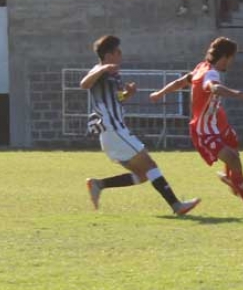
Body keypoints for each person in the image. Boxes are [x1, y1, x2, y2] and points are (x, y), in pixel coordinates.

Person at [82, 34, 200, 216]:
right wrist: (102, 68)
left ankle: (99, 184)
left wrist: (127, 94)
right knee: (151, 165)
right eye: (118, 51)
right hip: (114, 131)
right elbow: (84, 84)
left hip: (114, 133)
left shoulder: (113, 75)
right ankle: (177, 205)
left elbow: (116, 99)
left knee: (143, 174)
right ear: (109, 54)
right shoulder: (99, 70)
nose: (121, 55)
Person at [150, 36, 243, 210]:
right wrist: (239, 94)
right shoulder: (211, 73)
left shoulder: (201, 67)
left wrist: (159, 93)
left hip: (214, 124)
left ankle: (231, 178)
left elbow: (180, 82)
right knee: (233, 158)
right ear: (225, 57)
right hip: (204, 131)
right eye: (232, 58)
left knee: (232, 140)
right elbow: (213, 87)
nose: (232, 62)